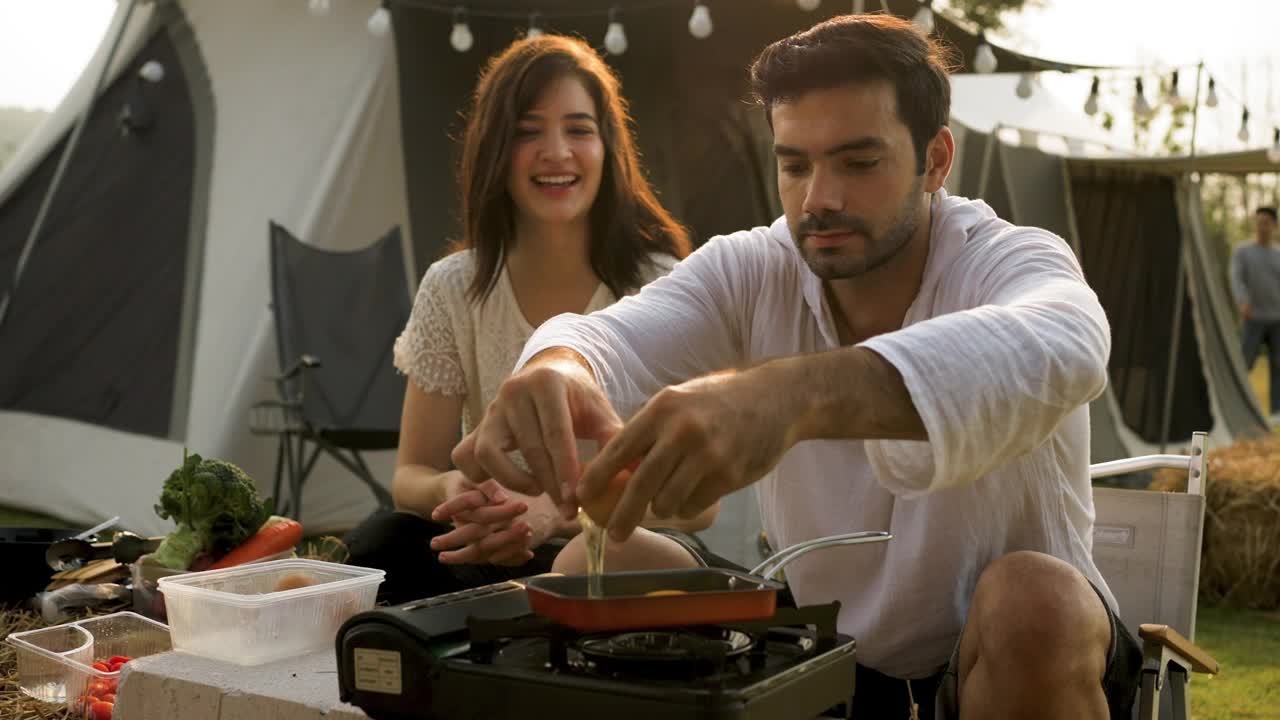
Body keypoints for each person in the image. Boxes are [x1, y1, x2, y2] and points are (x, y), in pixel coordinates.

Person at [453, 15, 1140, 720]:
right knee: (594, 566)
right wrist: (559, 367)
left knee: (1035, 602)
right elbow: (609, 338)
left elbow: (1069, 341)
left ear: (935, 160)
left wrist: (789, 398)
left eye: (858, 163)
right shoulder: (754, 266)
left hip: (1002, 661)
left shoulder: (1007, 257)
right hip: (822, 646)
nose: (819, 199)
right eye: (795, 164)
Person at [345, 34, 715, 604]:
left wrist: (555, 511)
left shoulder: (660, 281)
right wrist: (456, 489)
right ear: (495, 151)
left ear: (608, 147)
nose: (556, 152)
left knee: (587, 561)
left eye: (578, 129)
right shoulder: (453, 286)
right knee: (379, 542)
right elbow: (410, 475)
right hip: (494, 552)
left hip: (623, 550)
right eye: (527, 132)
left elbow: (700, 506)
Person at [1230, 206, 1280, 420]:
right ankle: (1235, 409)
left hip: (1277, 319)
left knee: (1278, 366)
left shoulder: (1278, 254)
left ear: (1274, 226)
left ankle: (1277, 412)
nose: (1262, 227)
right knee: (1244, 365)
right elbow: (1236, 278)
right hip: (1252, 319)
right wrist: (1242, 301)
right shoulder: (1243, 251)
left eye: (1266, 223)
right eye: (1258, 222)